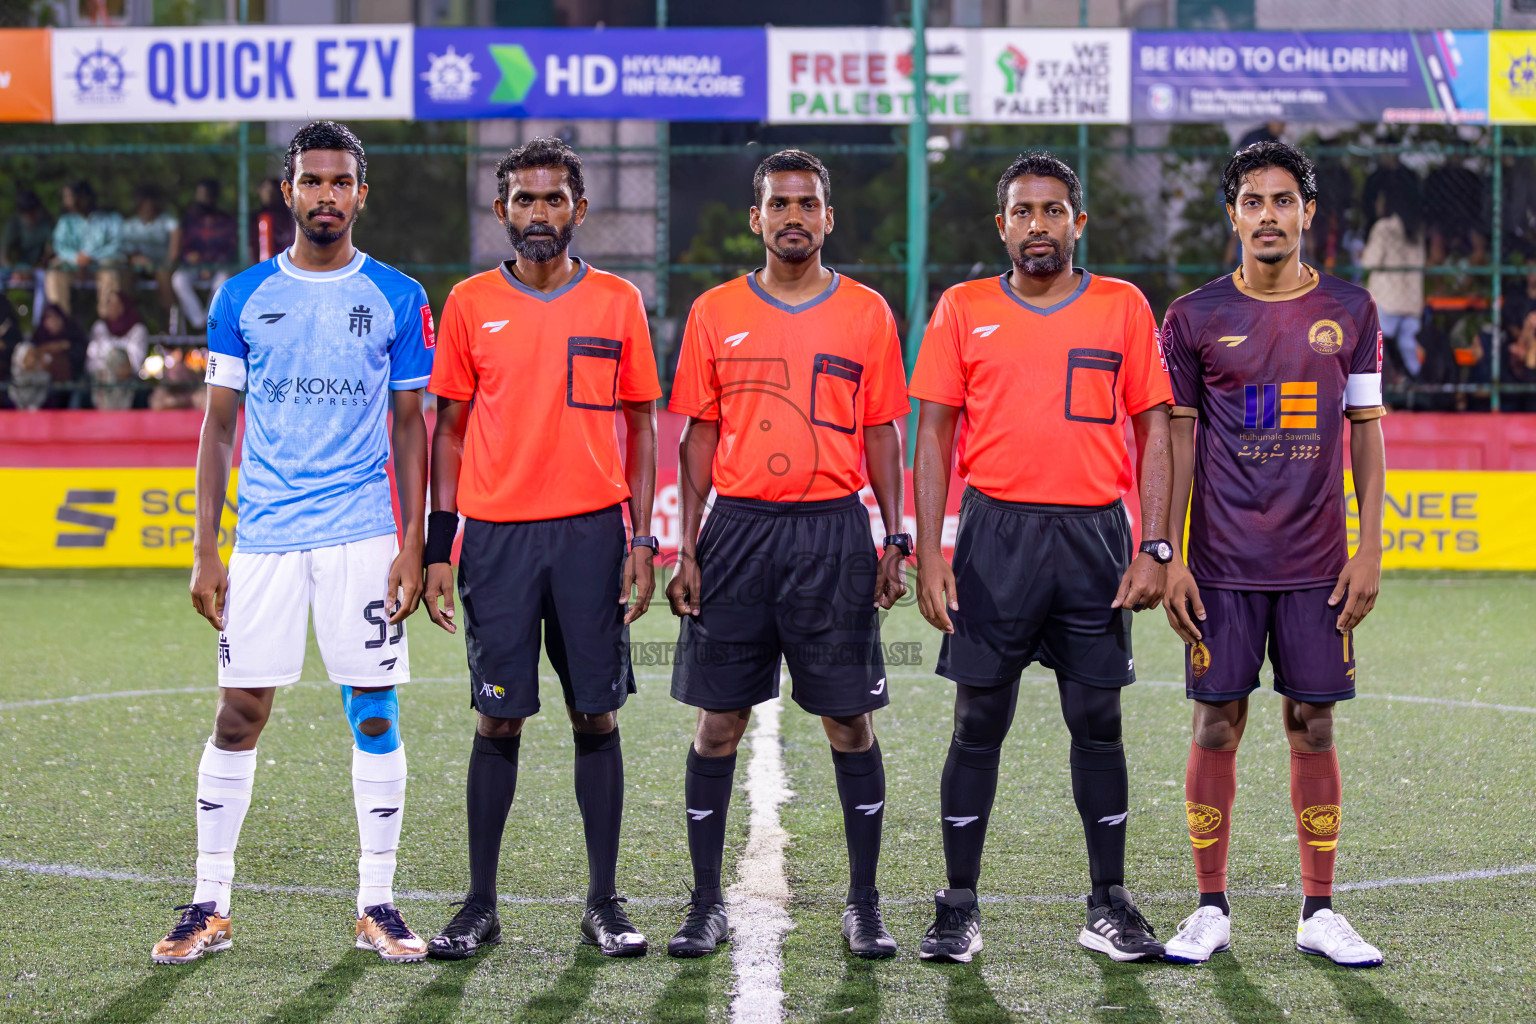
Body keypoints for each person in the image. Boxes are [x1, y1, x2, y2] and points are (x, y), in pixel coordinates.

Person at [150, 121, 435, 965]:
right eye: (311, 181)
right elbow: (216, 430)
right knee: (239, 714)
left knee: (374, 711)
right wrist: (208, 550)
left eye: (340, 182)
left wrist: (413, 541)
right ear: (289, 192)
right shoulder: (242, 296)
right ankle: (208, 902)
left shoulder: (398, 294)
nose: (326, 196)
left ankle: (376, 903)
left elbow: (413, 426)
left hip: (361, 534)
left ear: (360, 193)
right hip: (267, 540)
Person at [910, 152, 1173, 965]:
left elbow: (1155, 427)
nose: (1039, 226)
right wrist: (932, 553)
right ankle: (957, 906)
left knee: (1097, 719)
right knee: (978, 719)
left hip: (1095, 537)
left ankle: (1109, 901)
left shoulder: (1123, 307)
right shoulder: (962, 307)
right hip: (995, 537)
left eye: (1054, 211)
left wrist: (1155, 542)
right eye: (1024, 212)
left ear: (1077, 223)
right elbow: (934, 435)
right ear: (1003, 226)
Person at [664, 149, 912, 960]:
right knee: (718, 724)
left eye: (807, 202)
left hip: (834, 532)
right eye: (779, 203)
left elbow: (882, 431)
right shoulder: (712, 312)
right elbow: (699, 434)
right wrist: (688, 543)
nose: (793, 215)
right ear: (757, 217)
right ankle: (705, 903)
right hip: (736, 533)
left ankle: (865, 904)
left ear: (828, 217)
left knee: (848, 720)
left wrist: (895, 535)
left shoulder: (868, 313)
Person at [420, 138, 662, 961]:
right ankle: (479, 904)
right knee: (499, 716)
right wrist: (438, 546)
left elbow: (640, 424)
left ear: (579, 210)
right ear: (502, 213)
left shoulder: (619, 302)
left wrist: (642, 535)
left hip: (594, 535)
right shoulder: (466, 304)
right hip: (497, 539)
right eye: (525, 201)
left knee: (595, 711)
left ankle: (603, 902)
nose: (539, 215)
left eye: (554, 200)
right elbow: (446, 430)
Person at [1158, 141, 1387, 968]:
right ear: (1233, 215)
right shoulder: (1191, 317)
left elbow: (1367, 433)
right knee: (1216, 723)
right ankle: (1209, 907)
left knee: (1313, 725)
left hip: (1319, 563)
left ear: (1308, 214)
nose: (1268, 215)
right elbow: (1179, 445)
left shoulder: (1354, 311)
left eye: (1283, 200)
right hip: (1218, 564)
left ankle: (1319, 910)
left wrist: (1370, 548)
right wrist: (1171, 553)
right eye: (1252, 201)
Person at [1359, 183, 1426, 378]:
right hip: (1411, 303)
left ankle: (1383, 391)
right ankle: (1416, 386)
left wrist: (1363, 253)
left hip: (1387, 301)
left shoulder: (1384, 228)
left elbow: (1369, 263)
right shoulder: (1416, 229)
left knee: (1375, 346)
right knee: (1408, 350)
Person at [44, 180, 122, 319]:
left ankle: (108, 320)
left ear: (84, 197)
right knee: (54, 270)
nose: (67, 201)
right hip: (74, 266)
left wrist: (91, 257)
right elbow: (59, 246)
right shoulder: (65, 221)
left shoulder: (109, 218)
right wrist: (76, 258)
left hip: (100, 265)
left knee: (110, 269)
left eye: (70, 196)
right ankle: (61, 320)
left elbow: (117, 244)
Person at [172, 179, 238, 330]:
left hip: (218, 267)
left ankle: (211, 321)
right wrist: (189, 256)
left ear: (214, 196)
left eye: (207, 195)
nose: (203, 198)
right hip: (193, 267)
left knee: (222, 280)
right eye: (201, 194)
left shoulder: (224, 219)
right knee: (178, 279)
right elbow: (184, 246)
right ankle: (199, 322)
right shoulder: (190, 219)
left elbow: (230, 248)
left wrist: (212, 264)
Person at [119, 185, 180, 315]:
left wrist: (167, 262)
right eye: (144, 204)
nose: (148, 208)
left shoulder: (168, 221)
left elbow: (174, 247)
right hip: (137, 267)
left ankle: (169, 320)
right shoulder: (129, 225)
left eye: (151, 204)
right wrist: (134, 259)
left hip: (162, 266)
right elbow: (125, 251)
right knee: (123, 276)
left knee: (164, 276)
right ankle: (126, 317)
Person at [87, 290, 148, 410]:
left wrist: (124, 366)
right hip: (101, 378)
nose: (110, 306)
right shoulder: (99, 326)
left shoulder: (138, 329)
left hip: (127, 378)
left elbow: (136, 360)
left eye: (114, 303)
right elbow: (93, 357)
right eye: (108, 303)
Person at [27, 301, 88, 409]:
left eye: (55, 318)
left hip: (72, 384)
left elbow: (81, 357)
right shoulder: (39, 337)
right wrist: (52, 348)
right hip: (44, 389)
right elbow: (31, 356)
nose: (53, 322)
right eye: (49, 319)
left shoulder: (73, 334)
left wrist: (64, 351)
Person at [3, 189, 53, 319]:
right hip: (17, 268)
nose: (30, 216)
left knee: (44, 282)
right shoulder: (14, 224)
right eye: (26, 212)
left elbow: (50, 252)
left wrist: (35, 268)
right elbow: (3, 254)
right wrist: (14, 270)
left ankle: (38, 327)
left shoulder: (46, 224)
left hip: (39, 268)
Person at [252, 178, 296, 263]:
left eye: (272, 190)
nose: (269, 194)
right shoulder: (256, 219)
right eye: (266, 190)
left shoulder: (288, 218)